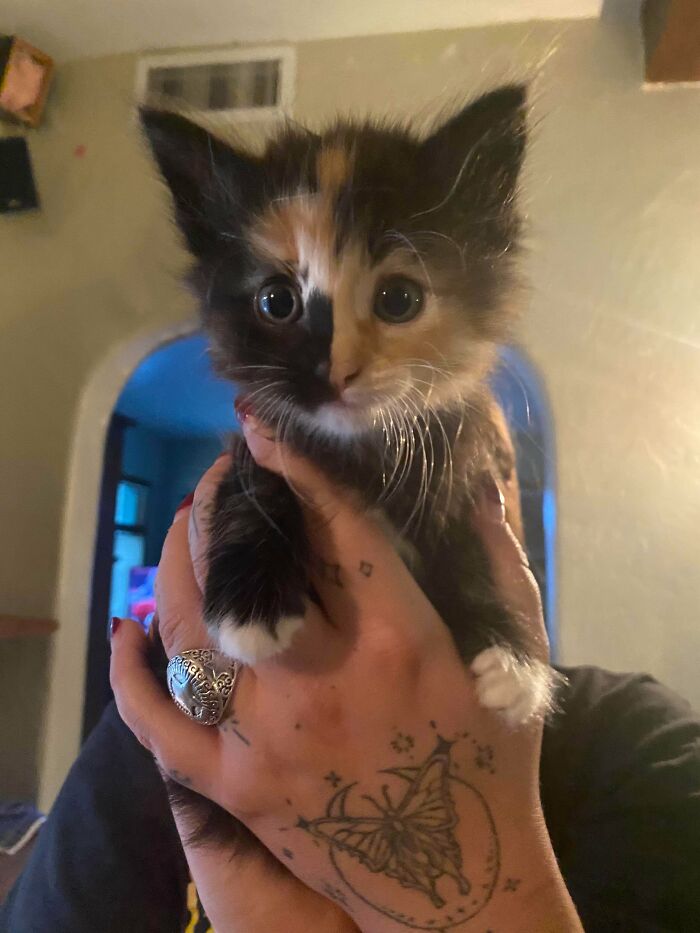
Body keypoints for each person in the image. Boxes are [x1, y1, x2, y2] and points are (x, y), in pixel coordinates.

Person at [3, 417, 700, 931]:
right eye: (330, 465)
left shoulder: (640, 744)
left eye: (440, 445)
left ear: (505, 511)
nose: (377, 504)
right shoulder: (165, 725)